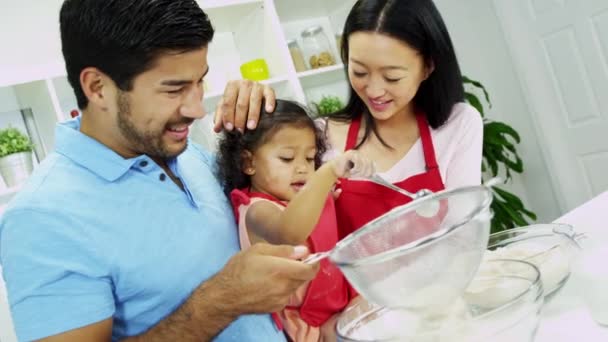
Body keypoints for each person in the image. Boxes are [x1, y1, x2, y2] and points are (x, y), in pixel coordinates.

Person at [0, 1, 318, 341]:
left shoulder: (183, 151)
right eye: (174, 89)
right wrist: (220, 303)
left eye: (200, 82)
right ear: (97, 87)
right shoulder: (42, 217)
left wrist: (261, 130)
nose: (197, 108)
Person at [217, 0, 484, 304]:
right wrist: (243, 106)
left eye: (392, 77)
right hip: (354, 320)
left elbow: (464, 239)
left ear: (428, 66)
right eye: (359, 71)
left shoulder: (458, 124)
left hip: (438, 302)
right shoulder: (319, 138)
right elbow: (273, 217)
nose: (374, 90)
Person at [216, 100, 373, 341]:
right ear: (249, 163)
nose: (302, 168)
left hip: (338, 298)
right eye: (287, 159)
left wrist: (324, 195)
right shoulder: (256, 210)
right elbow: (289, 232)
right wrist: (326, 174)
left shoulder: (294, 198)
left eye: (310, 159)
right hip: (309, 324)